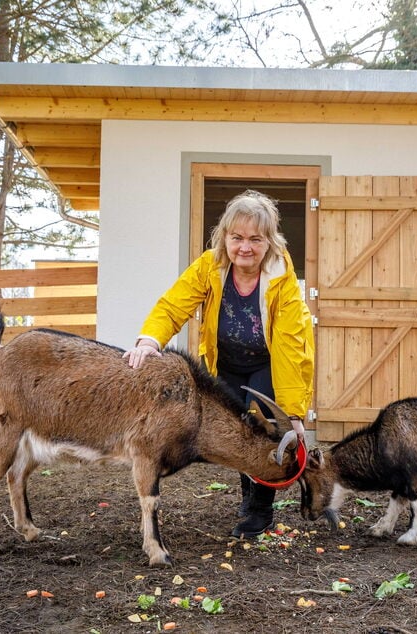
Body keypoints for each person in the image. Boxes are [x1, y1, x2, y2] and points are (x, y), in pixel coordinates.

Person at [123, 189, 315, 538]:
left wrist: (294, 413)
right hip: (224, 361)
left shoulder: (282, 282)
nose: (245, 247)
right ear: (224, 237)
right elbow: (173, 305)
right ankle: (249, 493)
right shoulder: (210, 266)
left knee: (264, 428)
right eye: (237, 237)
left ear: (269, 242)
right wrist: (150, 340)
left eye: (256, 239)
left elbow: (291, 349)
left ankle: (261, 510)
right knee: (236, 431)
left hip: (268, 363)